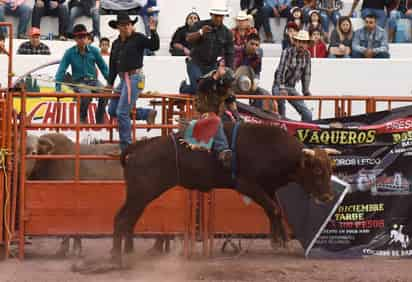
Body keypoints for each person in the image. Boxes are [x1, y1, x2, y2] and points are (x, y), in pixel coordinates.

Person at [107, 13, 159, 151]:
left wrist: (153, 31)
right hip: (124, 79)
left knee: (121, 112)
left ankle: (126, 148)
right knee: (113, 110)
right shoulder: (116, 43)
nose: (127, 27)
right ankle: (146, 114)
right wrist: (109, 84)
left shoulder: (138, 38)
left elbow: (154, 46)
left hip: (134, 78)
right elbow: (112, 65)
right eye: (123, 25)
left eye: (129, 24)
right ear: (118, 27)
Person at [55, 24, 109, 124]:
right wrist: (57, 89)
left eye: (84, 36)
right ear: (75, 39)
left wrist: (110, 83)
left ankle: (100, 119)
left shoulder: (95, 51)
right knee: (86, 93)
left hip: (94, 81)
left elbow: (104, 68)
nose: (83, 39)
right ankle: (82, 117)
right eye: (80, 37)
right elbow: (61, 71)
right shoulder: (69, 53)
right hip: (78, 82)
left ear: (87, 37)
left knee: (105, 93)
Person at [179, 0, 234, 95]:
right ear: (211, 14)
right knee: (199, 88)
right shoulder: (200, 25)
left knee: (212, 90)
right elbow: (188, 38)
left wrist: (229, 71)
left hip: (212, 65)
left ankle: (187, 88)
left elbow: (229, 53)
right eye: (216, 16)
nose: (218, 19)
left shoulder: (227, 32)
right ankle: (184, 88)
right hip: (195, 63)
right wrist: (200, 32)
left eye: (221, 16)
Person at [195, 59, 234, 168]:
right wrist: (217, 76)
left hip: (217, 114)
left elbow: (231, 101)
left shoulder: (225, 87)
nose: (227, 87)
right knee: (215, 120)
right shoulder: (205, 82)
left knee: (230, 121)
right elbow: (203, 87)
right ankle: (223, 150)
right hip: (202, 114)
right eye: (226, 85)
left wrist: (237, 116)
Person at [272, 30, 313, 121]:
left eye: (304, 42)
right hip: (279, 85)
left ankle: (303, 132)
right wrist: (282, 87)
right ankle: (282, 128)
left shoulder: (307, 55)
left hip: (291, 87)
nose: (301, 44)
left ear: (307, 44)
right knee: (281, 107)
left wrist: (305, 91)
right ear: (295, 42)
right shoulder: (287, 52)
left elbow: (307, 74)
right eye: (299, 42)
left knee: (307, 114)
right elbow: (281, 70)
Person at [234, 33, 276, 112]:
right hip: (233, 83)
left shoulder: (258, 56)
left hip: (248, 84)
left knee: (265, 94)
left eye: (256, 45)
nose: (254, 47)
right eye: (252, 44)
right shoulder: (236, 52)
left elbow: (257, 72)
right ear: (246, 42)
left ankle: (259, 115)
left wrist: (256, 80)